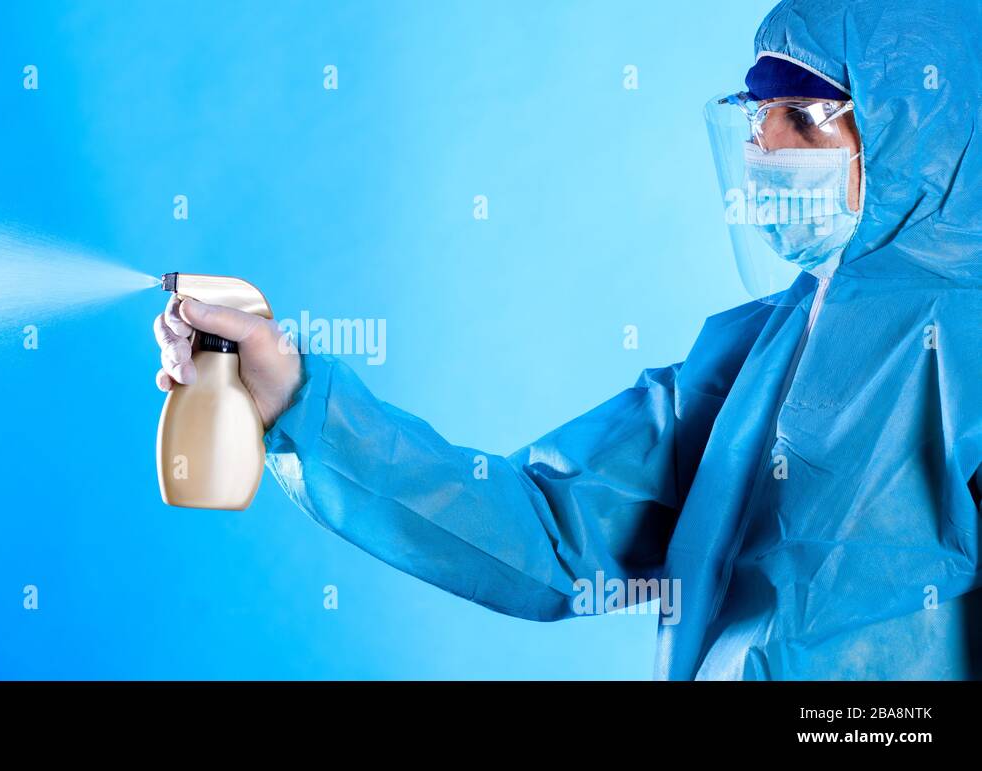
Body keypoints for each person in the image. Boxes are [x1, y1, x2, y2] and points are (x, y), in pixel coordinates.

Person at [151, 0, 982, 680]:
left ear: (919, 140)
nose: (764, 146)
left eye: (801, 115)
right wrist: (300, 399)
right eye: (757, 116)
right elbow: (548, 534)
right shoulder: (751, 363)